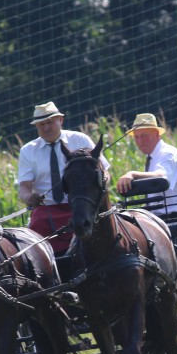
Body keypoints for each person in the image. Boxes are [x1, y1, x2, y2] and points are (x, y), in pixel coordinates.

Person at [16, 101, 106, 255]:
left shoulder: (81, 140)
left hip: (81, 207)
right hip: (46, 212)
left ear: (60, 120)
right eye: (41, 125)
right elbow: (23, 188)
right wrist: (29, 198)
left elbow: (105, 172)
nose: (46, 128)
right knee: (34, 240)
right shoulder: (28, 151)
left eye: (49, 122)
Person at [115, 112, 177, 231]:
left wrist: (133, 174)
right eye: (136, 137)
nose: (140, 141)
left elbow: (161, 176)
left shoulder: (168, 154)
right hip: (161, 215)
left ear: (156, 134)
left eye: (144, 135)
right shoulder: (153, 157)